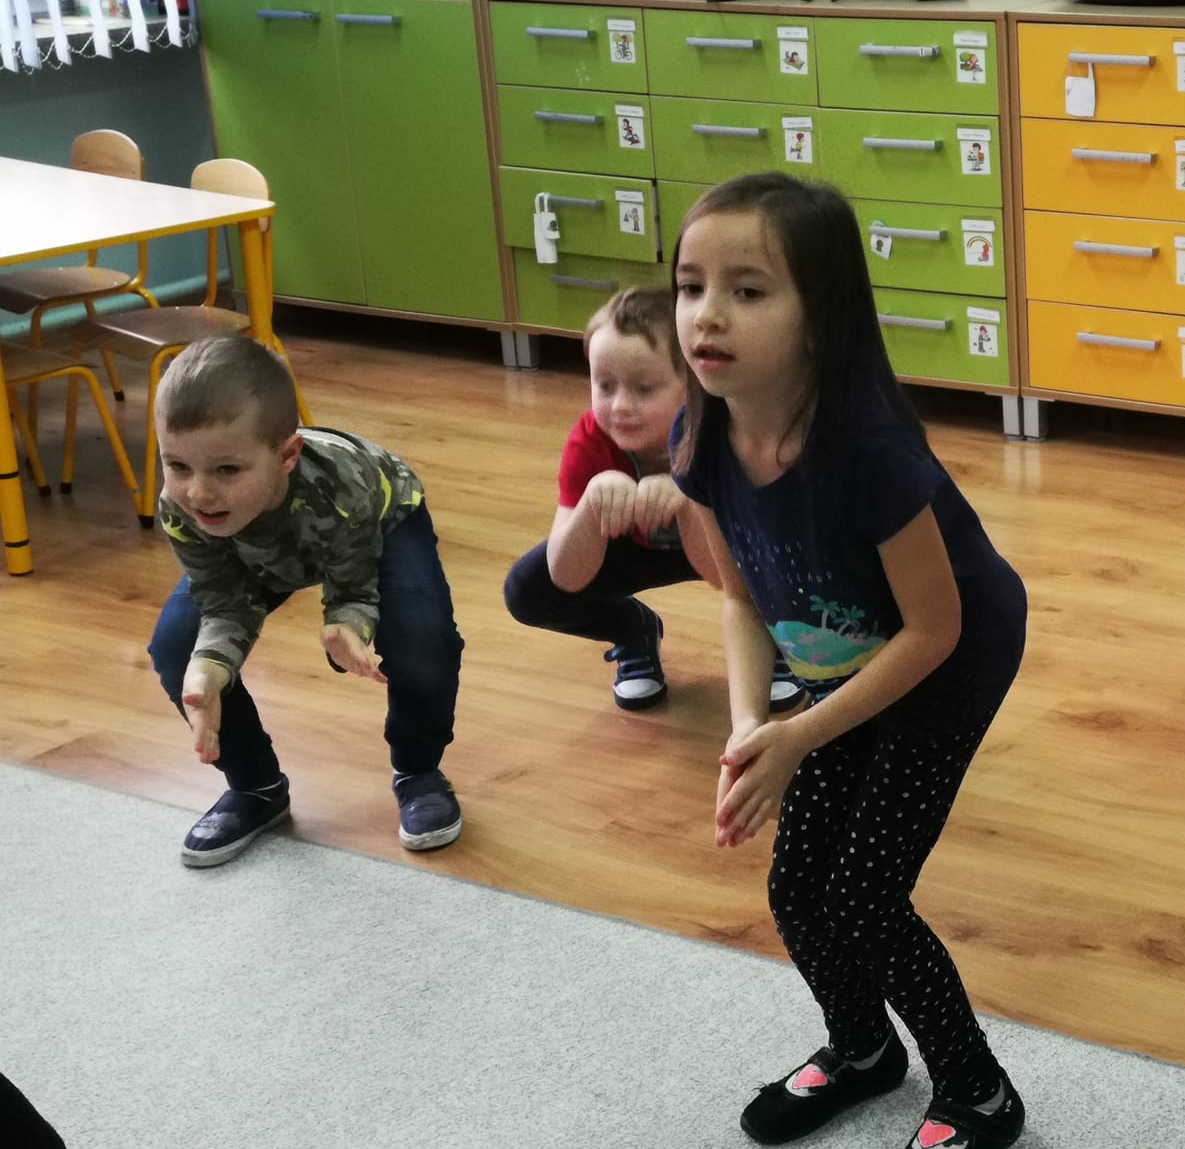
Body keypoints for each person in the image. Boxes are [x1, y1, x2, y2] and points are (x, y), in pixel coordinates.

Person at [672, 173, 1028, 1149]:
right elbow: (740, 599)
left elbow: (933, 630)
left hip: (944, 664)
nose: (706, 314)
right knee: (796, 886)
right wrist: (753, 723)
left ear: (820, 319)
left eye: (748, 290)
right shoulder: (703, 439)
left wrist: (799, 735)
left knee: (867, 896)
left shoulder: (868, 453)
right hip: (836, 669)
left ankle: (978, 1092)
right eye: (691, 286)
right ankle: (864, 1048)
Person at [146, 335, 462, 866]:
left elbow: (354, 584)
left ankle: (418, 770)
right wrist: (208, 669)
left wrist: (348, 625)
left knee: (423, 641)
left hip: (379, 519)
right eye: (177, 466)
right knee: (178, 644)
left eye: (227, 469)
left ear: (287, 455)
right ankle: (256, 787)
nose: (198, 492)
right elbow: (224, 602)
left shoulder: (340, 489)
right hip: (258, 545)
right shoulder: (185, 509)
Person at [500, 287, 799, 712]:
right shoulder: (591, 440)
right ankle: (632, 630)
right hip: (631, 547)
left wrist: (689, 503)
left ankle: (781, 645)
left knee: (797, 561)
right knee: (527, 590)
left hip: (727, 549)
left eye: (643, 388)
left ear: (693, 387)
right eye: (604, 385)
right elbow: (564, 576)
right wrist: (592, 506)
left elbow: (724, 579)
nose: (620, 406)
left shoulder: (725, 435)